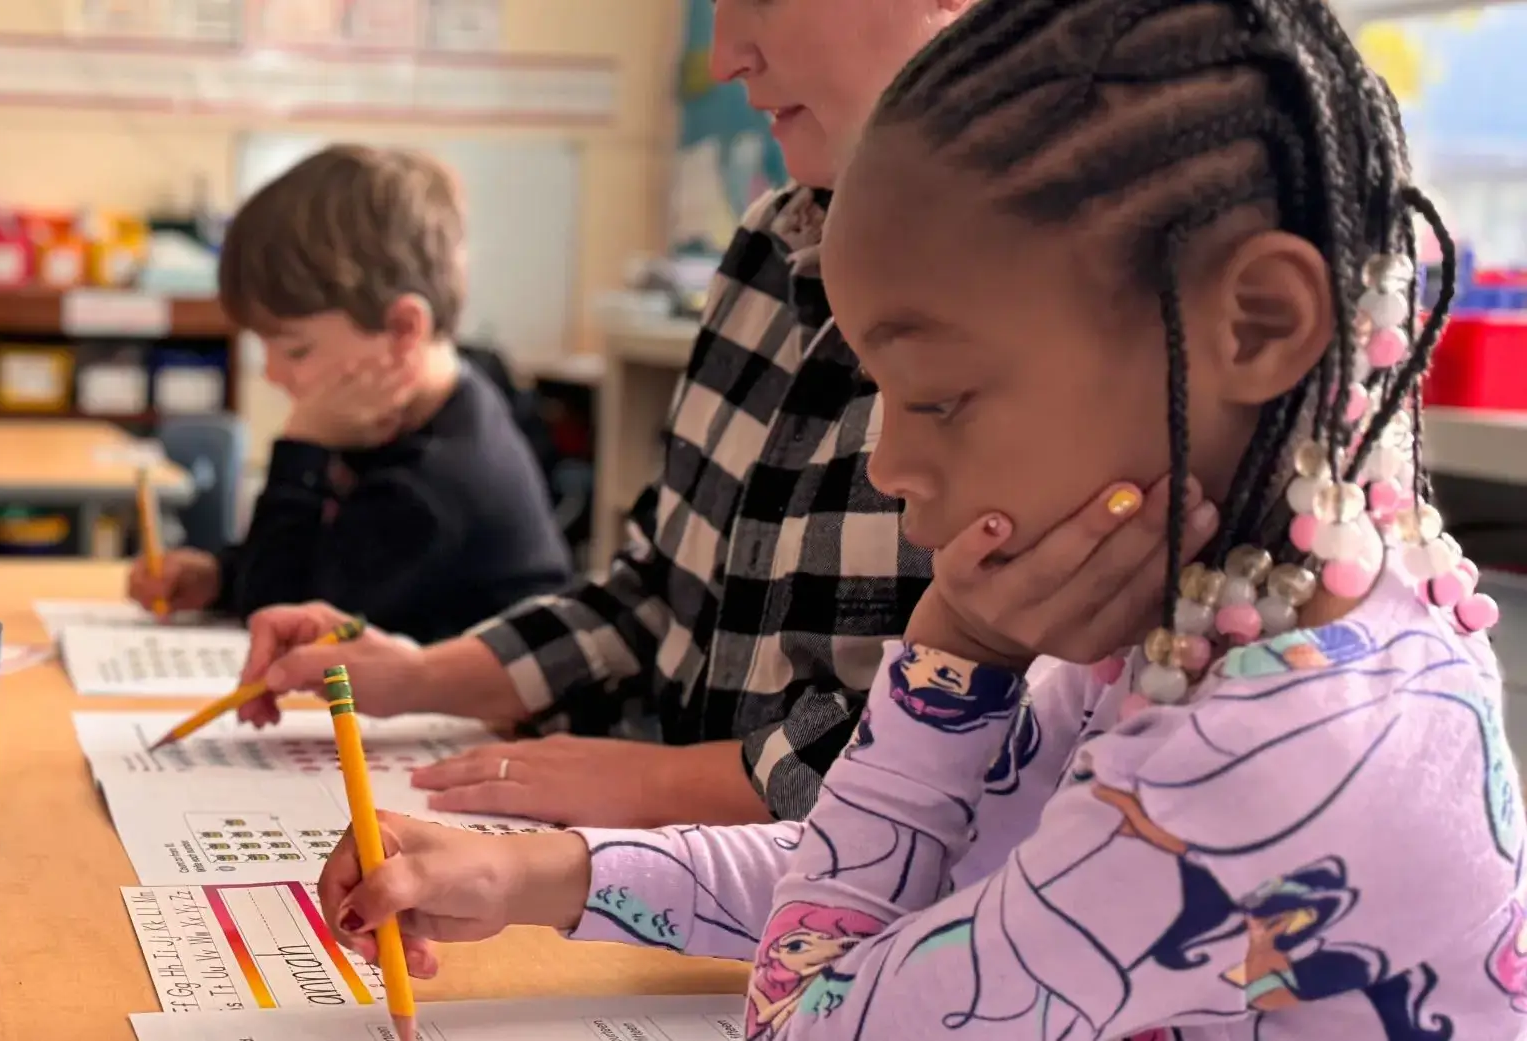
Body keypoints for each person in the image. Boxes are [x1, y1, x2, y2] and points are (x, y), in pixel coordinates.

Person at [313, 0, 1524, 1036]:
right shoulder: (1228, 621)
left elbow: (806, 1006)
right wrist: (537, 871)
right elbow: (934, 878)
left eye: (937, 396)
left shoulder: (1266, 755)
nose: (890, 463)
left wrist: (955, 657)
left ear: (1254, 326)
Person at [231, 0, 978, 829]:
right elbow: (656, 588)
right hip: (669, 881)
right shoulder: (770, 244)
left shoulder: (1051, 300)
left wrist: (656, 785)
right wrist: (418, 674)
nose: (726, 57)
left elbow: (975, 736)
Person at [125, 144, 573, 644]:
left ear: (403, 330)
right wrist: (221, 576)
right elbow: (330, 559)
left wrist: (301, 447)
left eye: (295, 350)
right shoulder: (404, 416)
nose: (272, 372)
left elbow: (280, 617)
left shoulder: (439, 481)